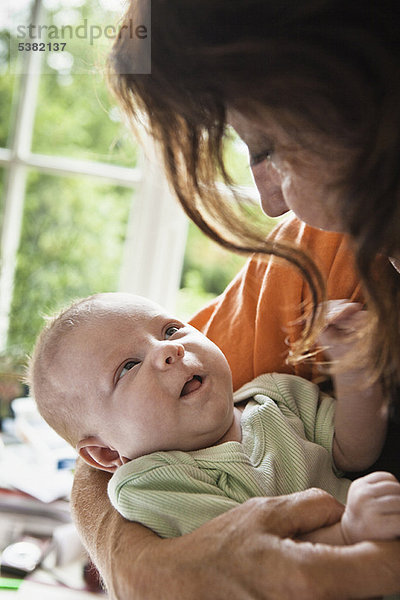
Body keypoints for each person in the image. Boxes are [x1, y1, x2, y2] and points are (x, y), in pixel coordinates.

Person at [69, 1, 400, 598]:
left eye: (271, 146)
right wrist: (138, 564)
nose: (271, 203)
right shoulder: (318, 256)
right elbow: (101, 440)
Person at [29, 292, 398, 547]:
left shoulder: (274, 395)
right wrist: (348, 534)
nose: (169, 349)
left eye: (170, 330)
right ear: (107, 454)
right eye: (128, 366)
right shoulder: (152, 485)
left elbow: (354, 452)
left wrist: (355, 367)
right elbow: (250, 559)